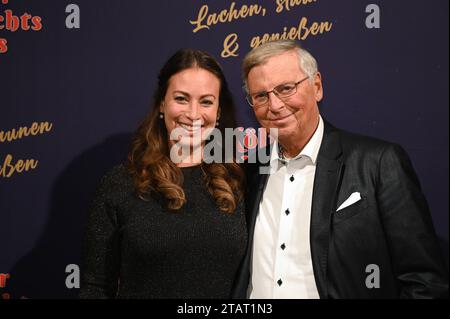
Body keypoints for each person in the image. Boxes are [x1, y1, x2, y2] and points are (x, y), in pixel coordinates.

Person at [232, 40, 448, 299]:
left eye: (286, 89)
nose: (275, 105)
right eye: (261, 96)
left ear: (317, 86)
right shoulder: (249, 172)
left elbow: (424, 282)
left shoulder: (378, 163)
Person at [79, 49, 247, 298]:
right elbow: (96, 288)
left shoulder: (241, 181)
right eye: (181, 98)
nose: (192, 113)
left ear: (219, 112)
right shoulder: (121, 183)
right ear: (161, 103)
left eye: (206, 101)